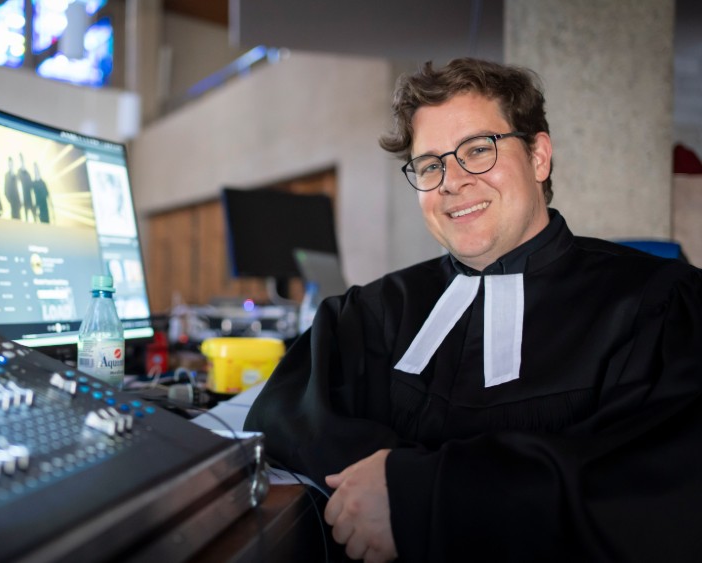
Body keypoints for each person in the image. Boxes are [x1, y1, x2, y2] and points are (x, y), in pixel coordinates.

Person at [243, 58, 702, 562]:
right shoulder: (374, 309)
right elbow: (288, 414)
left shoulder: (659, 303)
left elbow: (658, 488)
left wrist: (420, 493)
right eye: (429, 164)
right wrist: (382, 487)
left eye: (479, 149)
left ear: (539, 157)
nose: (451, 181)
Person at [4, 155, 22, 220]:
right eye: (9, 164)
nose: (10, 165)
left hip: (18, 203)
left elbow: (20, 190)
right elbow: (5, 191)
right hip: (12, 203)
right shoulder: (6, 176)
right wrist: (10, 201)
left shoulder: (17, 176)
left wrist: (20, 202)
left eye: (11, 164)